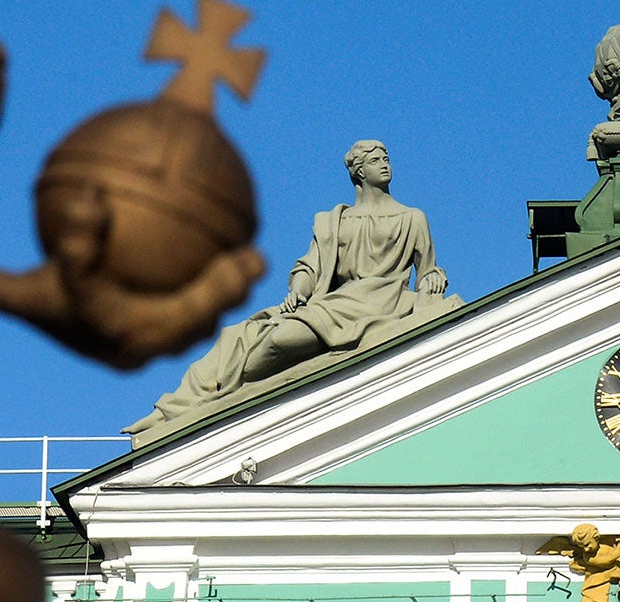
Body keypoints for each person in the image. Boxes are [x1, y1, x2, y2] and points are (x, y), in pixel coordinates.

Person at [128, 140, 460, 438]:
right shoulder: (336, 221)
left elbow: (428, 271)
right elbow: (309, 268)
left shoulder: (412, 218)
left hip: (385, 302)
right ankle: (185, 408)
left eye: (386, 158)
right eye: (375, 160)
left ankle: (223, 396)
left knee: (280, 341)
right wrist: (298, 291)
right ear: (359, 172)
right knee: (244, 336)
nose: (385, 164)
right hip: (336, 303)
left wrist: (432, 278)